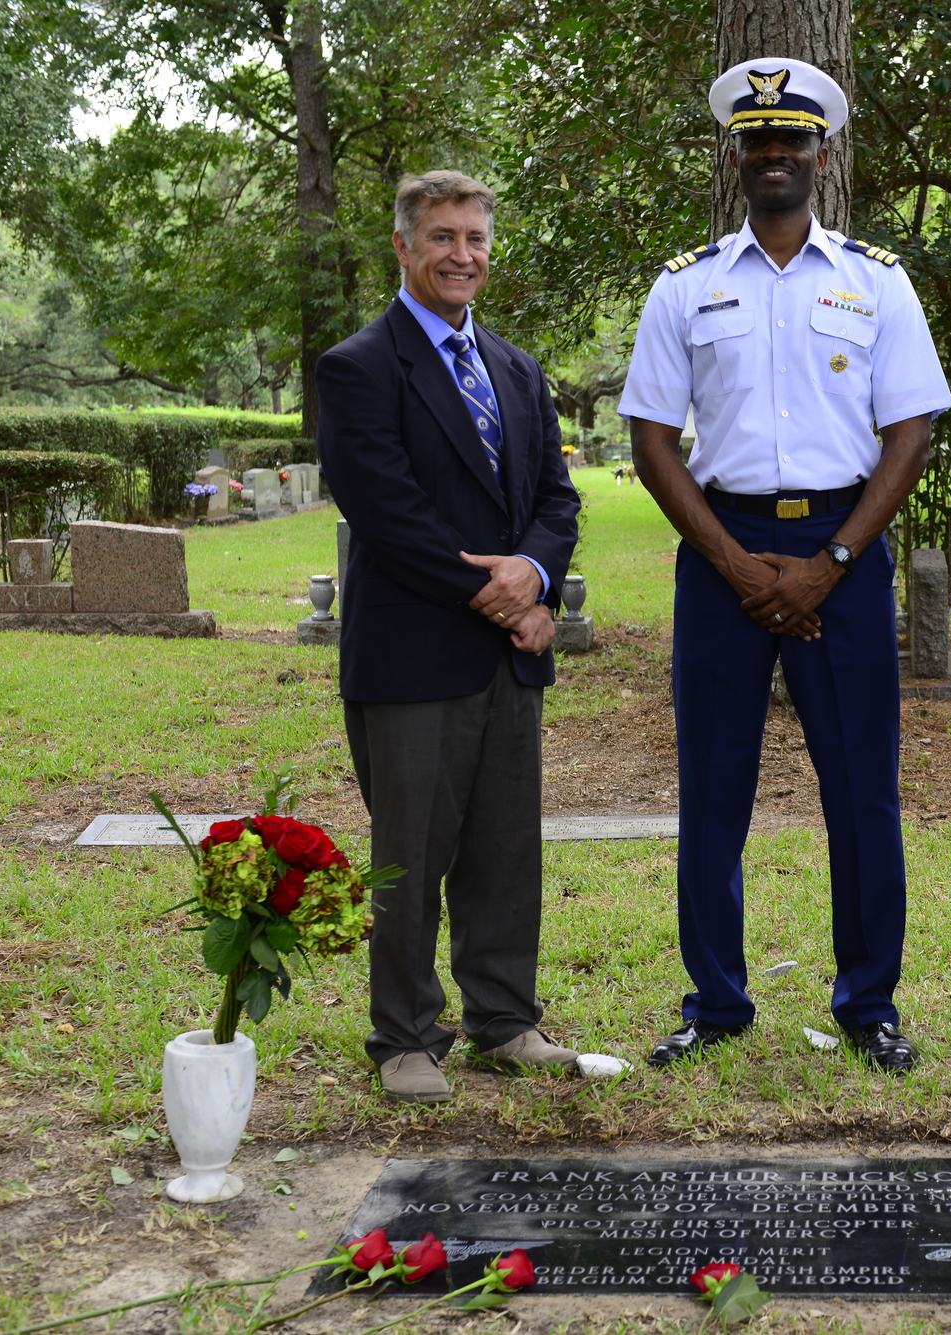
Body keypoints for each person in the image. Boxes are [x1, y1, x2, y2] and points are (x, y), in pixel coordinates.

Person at [618, 58, 951, 1074]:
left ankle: (869, 1004)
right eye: (757, 140)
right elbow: (650, 439)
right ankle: (714, 1002)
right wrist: (732, 565)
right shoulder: (685, 287)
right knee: (711, 791)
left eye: (791, 140)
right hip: (718, 550)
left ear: (819, 153)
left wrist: (831, 562)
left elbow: (910, 432)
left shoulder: (875, 281)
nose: (774, 154)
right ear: (736, 155)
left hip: (841, 557)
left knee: (861, 794)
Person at [318, 170, 583, 1103]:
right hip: (414, 657)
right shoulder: (357, 367)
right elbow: (389, 514)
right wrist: (508, 594)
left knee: (507, 849)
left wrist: (538, 574)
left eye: (474, 237)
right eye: (441, 238)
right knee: (412, 851)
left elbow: (555, 496)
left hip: (509, 659)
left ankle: (504, 1021)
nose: (461, 255)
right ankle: (404, 1035)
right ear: (403, 246)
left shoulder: (516, 369)